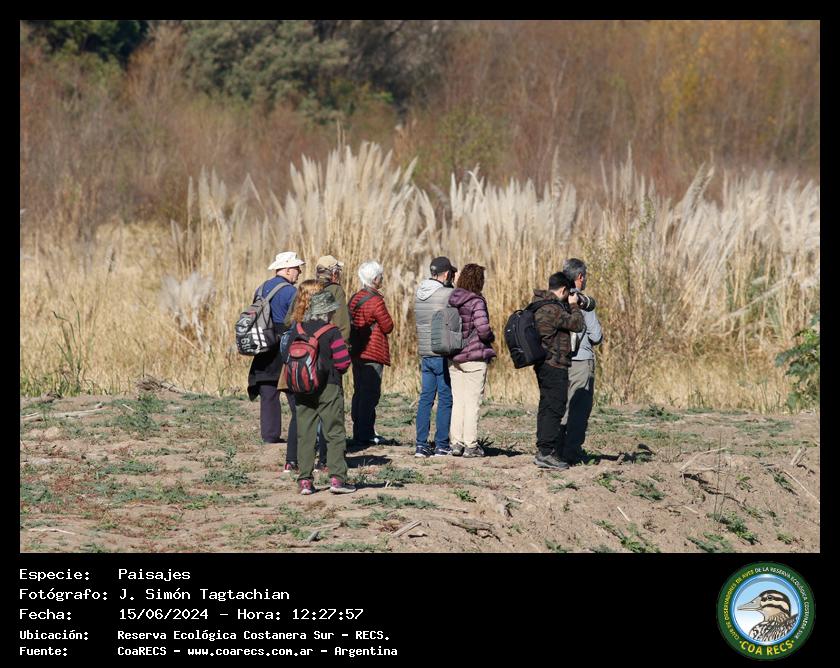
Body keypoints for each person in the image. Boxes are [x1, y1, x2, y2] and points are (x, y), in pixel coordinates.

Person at [291, 290, 355, 495]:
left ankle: (305, 481)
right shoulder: (332, 332)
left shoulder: (297, 328)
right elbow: (343, 362)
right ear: (327, 311)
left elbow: (287, 356)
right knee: (334, 432)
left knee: (305, 433)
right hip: (329, 386)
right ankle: (337, 479)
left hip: (302, 388)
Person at [246, 251, 303, 453]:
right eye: (296, 268)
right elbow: (296, 320)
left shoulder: (261, 288)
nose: (299, 272)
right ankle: (302, 432)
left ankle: (270, 436)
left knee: (268, 390)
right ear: (287, 270)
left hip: (263, 342)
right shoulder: (291, 292)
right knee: (293, 389)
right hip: (283, 342)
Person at [530, 271, 585, 470]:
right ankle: (546, 453)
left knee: (546, 406)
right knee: (555, 408)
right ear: (563, 290)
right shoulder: (553, 309)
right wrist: (574, 305)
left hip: (543, 363)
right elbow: (577, 324)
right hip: (555, 364)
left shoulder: (538, 304)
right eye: (568, 293)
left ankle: (543, 450)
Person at [447, 263, 496, 457]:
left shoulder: (452, 299)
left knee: (458, 401)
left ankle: (456, 443)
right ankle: (471, 445)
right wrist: (491, 337)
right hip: (474, 357)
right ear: (478, 281)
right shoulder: (476, 301)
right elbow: (483, 329)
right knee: (472, 402)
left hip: (454, 356)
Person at [348, 261, 396, 447]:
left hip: (356, 351)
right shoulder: (376, 301)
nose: (382, 279)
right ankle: (366, 434)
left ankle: (358, 431)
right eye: (381, 276)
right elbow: (388, 326)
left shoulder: (355, 298)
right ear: (375, 279)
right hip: (372, 352)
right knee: (370, 394)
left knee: (359, 392)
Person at [413, 256, 457, 458]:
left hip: (425, 352)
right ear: (447, 274)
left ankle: (421, 445)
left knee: (426, 399)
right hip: (441, 351)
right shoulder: (446, 293)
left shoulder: (419, 293)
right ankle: (441, 444)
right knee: (445, 398)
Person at [561, 258, 603, 464]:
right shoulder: (583, 302)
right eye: (584, 276)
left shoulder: (556, 296)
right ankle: (572, 451)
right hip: (581, 361)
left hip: (558, 360)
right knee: (579, 409)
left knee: (561, 406)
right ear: (579, 277)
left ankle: (555, 448)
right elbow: (596, 336)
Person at [280, 279, 323, 474]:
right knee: (317, 417)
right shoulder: (316, 325)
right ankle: (319, 461)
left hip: (292, 375)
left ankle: (291, 461)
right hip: (312, 377)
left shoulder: (294, 323)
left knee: (297, 417)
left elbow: (285, 353)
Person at [315, 255, 351, 343]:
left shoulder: (306, 287)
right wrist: (342, 345)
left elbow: (288, 320)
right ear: (334, 273)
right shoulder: (336, 289)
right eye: (338, 271)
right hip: (326, 343)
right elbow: (342, 325)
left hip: (305, 343)